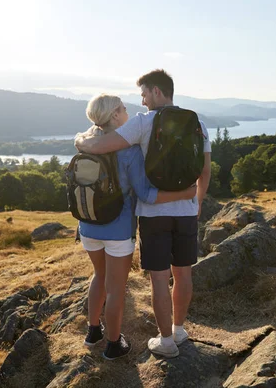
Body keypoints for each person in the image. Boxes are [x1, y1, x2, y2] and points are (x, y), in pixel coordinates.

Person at [75, 70, 211, 358]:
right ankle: (179, 329)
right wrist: (195, 200)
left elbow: (101, 145)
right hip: (182, 213)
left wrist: (81, 142)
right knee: (183, 275)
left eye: (145, 93)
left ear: (157, 92)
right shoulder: (197, 123)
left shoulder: (142, 124)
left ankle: (164, 341)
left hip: (143, 217)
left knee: (157, 280)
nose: (141, 100)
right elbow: (205, 169)